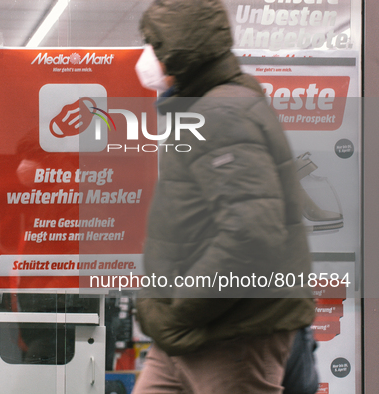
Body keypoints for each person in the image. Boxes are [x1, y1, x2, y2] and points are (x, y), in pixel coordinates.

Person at [131, 0, 316, 393]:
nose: (146, 57)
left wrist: (181, 309)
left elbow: (251, 235)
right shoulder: (205, 108)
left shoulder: (221, 114)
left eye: (154, 45)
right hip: (186, 336)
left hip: (231, 335)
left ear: (180, 53)